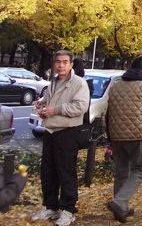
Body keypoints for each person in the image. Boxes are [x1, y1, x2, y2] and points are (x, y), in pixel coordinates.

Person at [31, 50, 90, 226]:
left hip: (67, 132)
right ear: (54, 64)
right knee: (48, 172)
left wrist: (54, 110)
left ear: (71, 64)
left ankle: (68, 209)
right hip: (50, 131)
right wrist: (43, 107)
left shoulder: (79, 83)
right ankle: (51, 206)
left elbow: (80, 106)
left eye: (65, 62)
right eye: (58, 62)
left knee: (66, 172)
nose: (61, 65)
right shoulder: (53, 82)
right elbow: (51, 104)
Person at [105, 57, 142, 223]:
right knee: (140, 169)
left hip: (116, 134)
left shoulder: (115, 86)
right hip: (137, 135)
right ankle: (119, 202)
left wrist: (110, 137)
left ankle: (121, 208)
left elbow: (108, 113)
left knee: (121, 171)